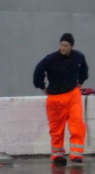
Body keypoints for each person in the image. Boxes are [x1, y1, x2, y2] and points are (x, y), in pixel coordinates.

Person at [33, 34, 88, 165]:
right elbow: (38, 71)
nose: (63, 48)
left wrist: (80, 82)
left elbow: (84, 70)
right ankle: (57, 155)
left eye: (66, 46)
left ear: (71, 46)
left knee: (77, 123)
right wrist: (41, 86)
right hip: (55, 97)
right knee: (56, 128)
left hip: (73, 94)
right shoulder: (50, 59)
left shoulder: (79, 57)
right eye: (61, 45)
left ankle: (76, 154)